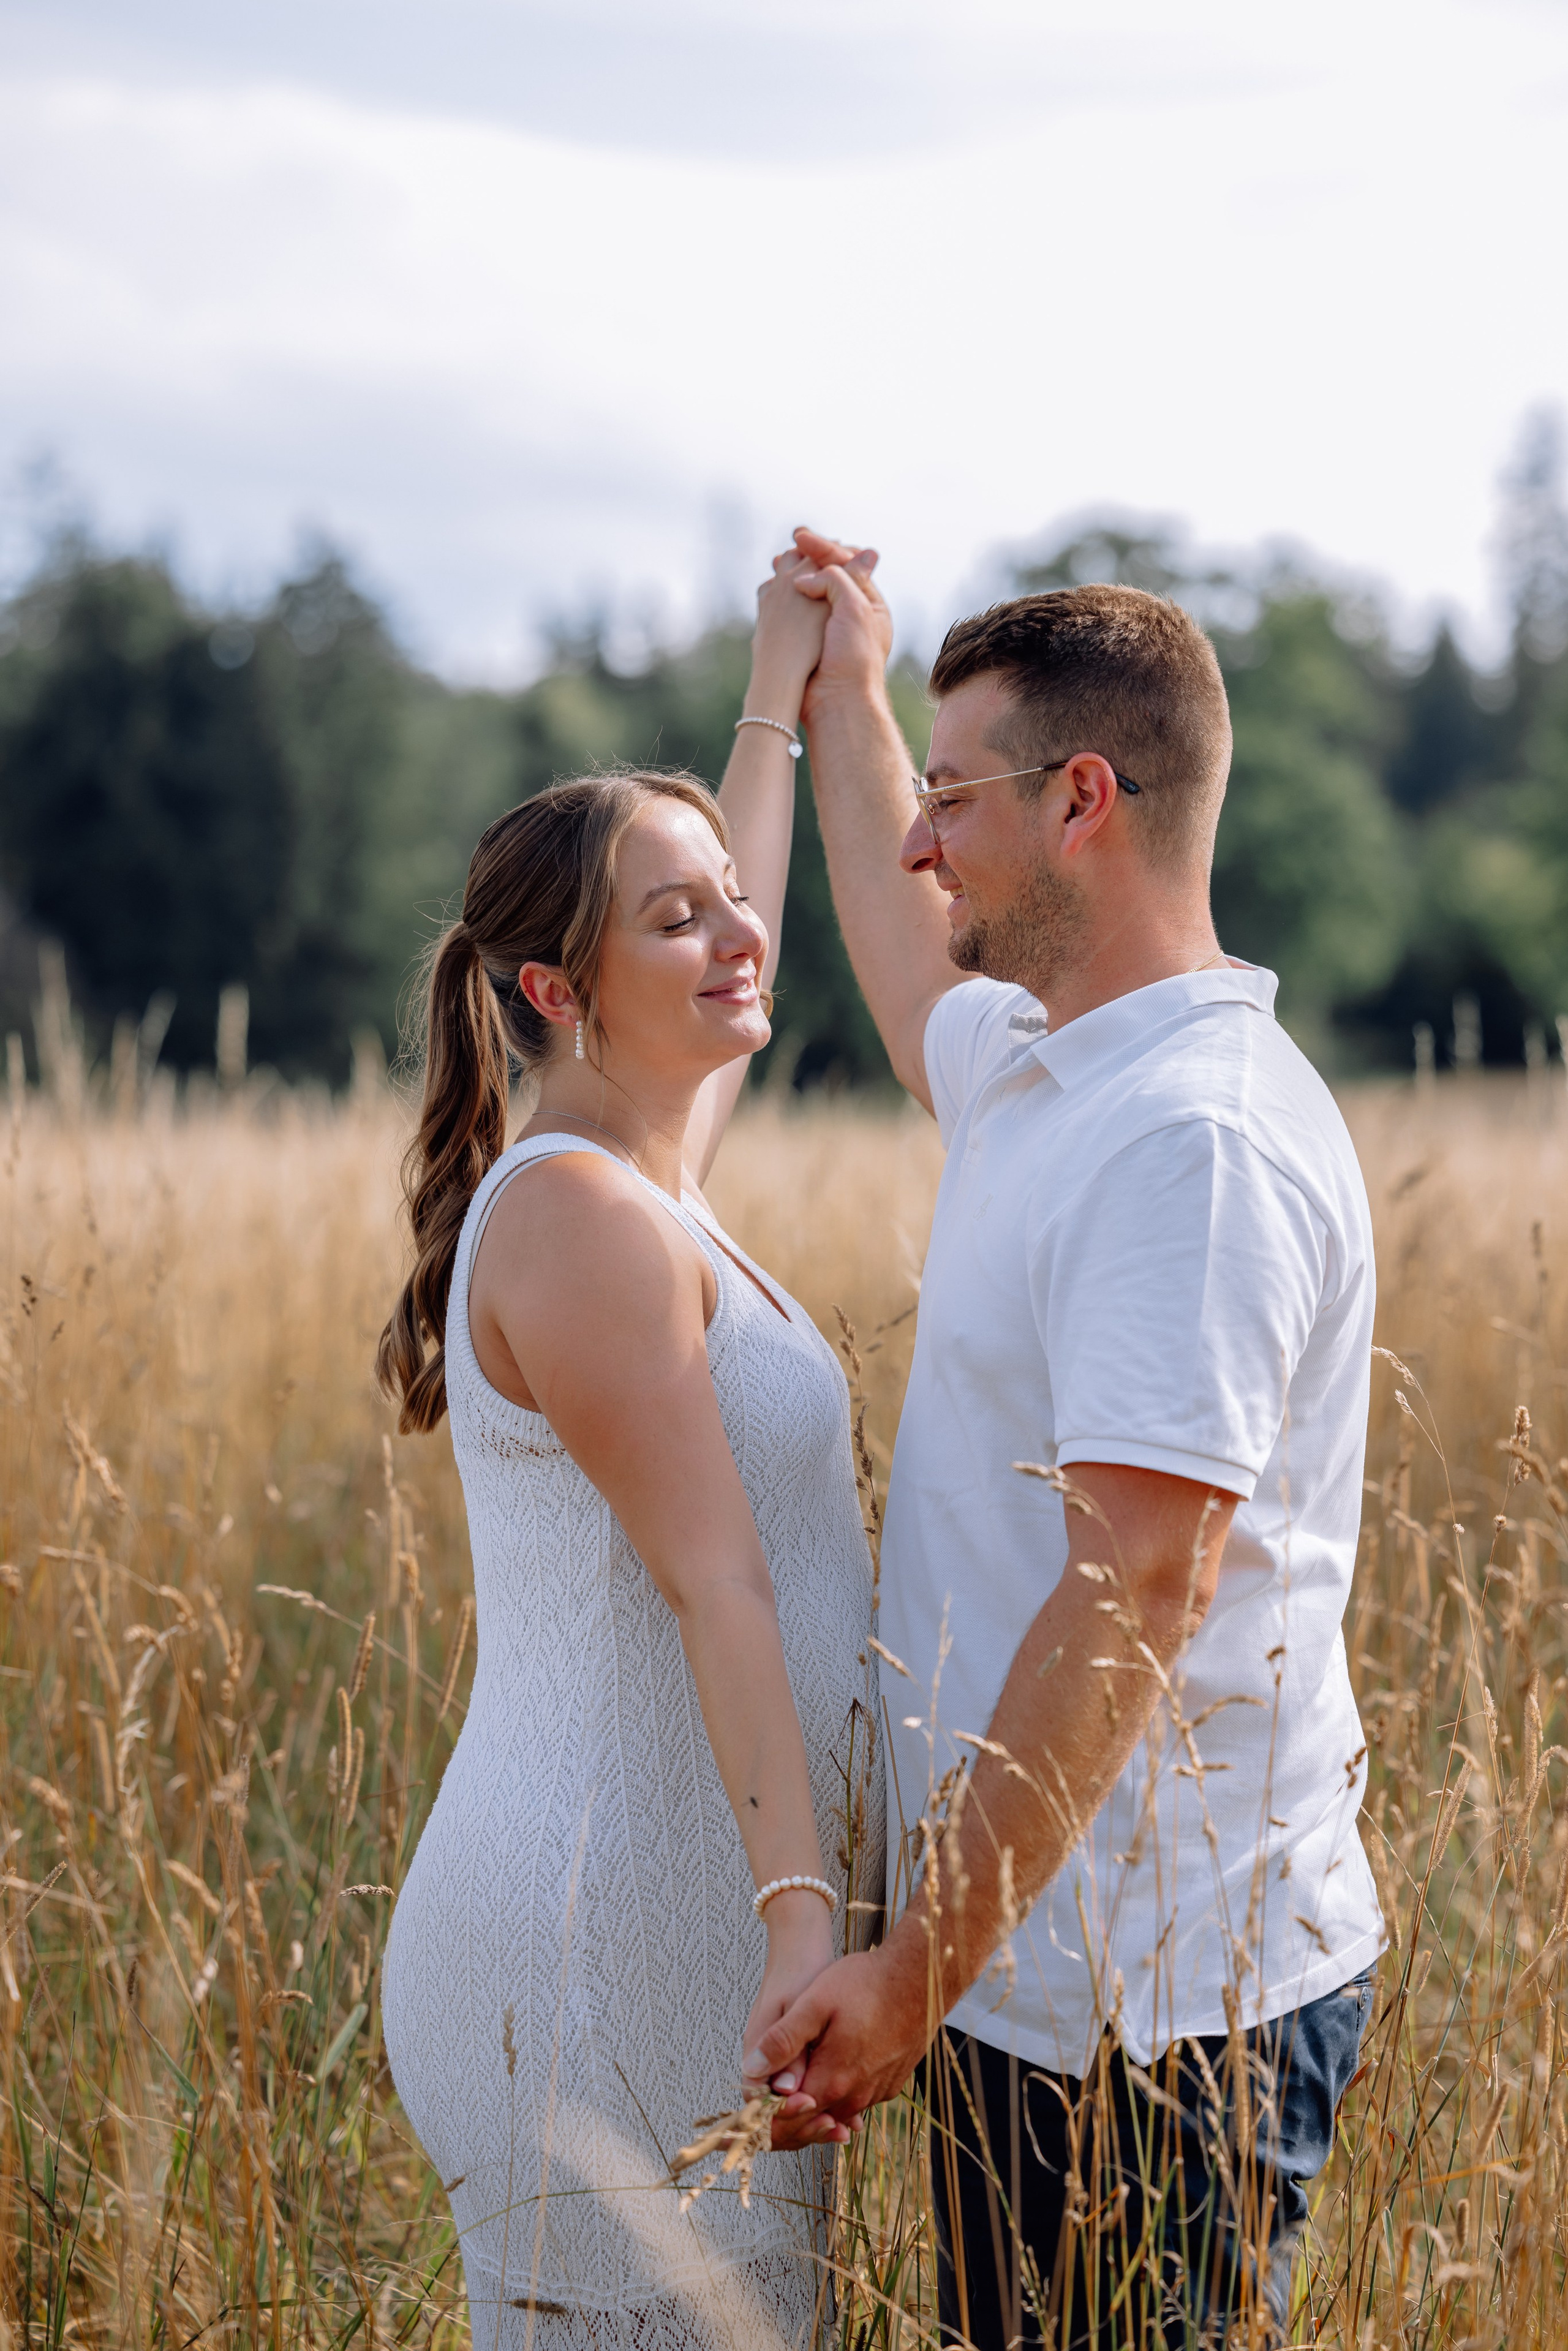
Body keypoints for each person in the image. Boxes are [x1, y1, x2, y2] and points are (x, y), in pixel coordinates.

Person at [745, 532, 1384, 2345]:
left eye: (957, 798)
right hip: (1028, 1969)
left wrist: (913, 1967)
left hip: (1153, 2011)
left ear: (1083, 798)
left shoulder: (1190, 1144)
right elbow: (895, 950)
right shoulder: (1047, 1062)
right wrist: (850, 694)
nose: (926, 837)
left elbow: (1140, 1587)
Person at [377, 551, 884, 2351]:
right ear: (556, 989)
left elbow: (722, 928)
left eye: (732, 900)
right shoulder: (589, 1220)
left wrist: (785, 694)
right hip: (612, 1947)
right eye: (677, 923)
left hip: (684, 1921)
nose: (739, 936)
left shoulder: (645, 1178)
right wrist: (803, 1925)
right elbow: (718, 1576)